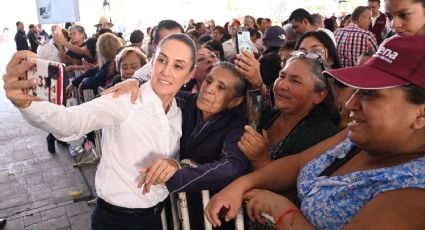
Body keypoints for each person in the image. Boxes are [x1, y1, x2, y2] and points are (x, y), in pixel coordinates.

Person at [205, 35, 425, 230]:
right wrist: (241, 184)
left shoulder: (414, 191)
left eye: (370, 94)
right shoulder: (356, 137)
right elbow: (299, 163)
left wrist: (282, 211)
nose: (349, 103)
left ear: (421, 115)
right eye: (356, 90)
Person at [3, 33, 197, 230]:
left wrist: (174, 164)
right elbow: (72, 121)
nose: (166, 71)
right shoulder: (126, 100)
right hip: (117, 221)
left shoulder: (178, 112)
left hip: (156, 217)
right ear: (152, 61)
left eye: (178, 66)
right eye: (162, 60)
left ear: (190, 75)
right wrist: (27, 104)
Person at [237, 48, 340, 171]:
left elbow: (298, 188)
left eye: (295, 81)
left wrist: (261, 160)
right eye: (282, 76)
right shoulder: (271, 114)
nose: (282, 85)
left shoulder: (325, 137)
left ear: (319, 96)